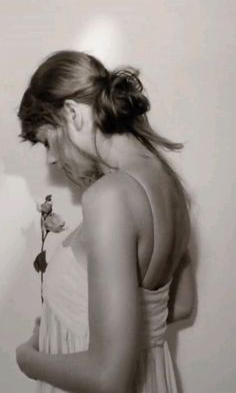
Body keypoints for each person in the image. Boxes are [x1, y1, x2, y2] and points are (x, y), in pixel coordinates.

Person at [16, 50, 195, 393]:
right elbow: (182, 304)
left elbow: (107, 378)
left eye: (48, 141)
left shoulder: (109, 197)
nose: (52, 159)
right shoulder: (169, 182)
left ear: (71, 112)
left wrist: (27, 358)